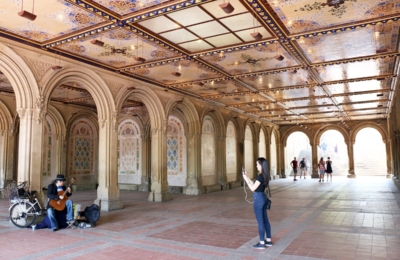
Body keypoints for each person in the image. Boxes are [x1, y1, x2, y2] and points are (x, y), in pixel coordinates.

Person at [242, 157, 272, 249]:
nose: (256, 166)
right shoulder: (265, 176)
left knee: (260, 221)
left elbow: (252, 188)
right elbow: (255, 184)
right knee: (265, 220)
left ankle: (262, 242)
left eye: (257, 164)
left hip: (258, 199)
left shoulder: (260, 176)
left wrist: (245, 179)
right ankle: (268, 241)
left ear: (261, 165)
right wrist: (247, 177)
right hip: (262, 197)